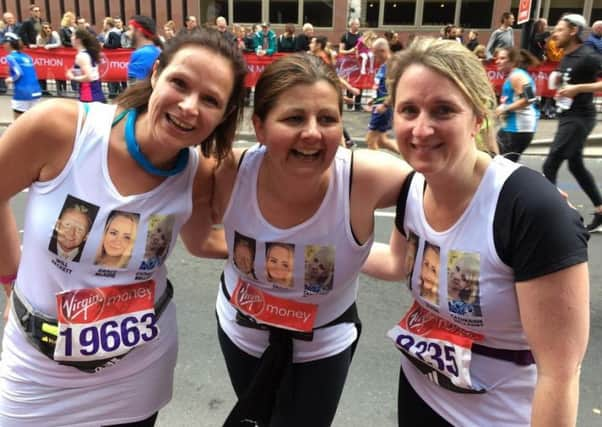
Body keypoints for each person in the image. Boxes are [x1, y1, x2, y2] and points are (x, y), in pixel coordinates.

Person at [0, 29, 247, 426]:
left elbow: (202, 241)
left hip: (135, 373)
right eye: (179, 83)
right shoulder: (63, 129)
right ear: (155, 75)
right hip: (37, 372)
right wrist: (11, 280)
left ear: (224, 115)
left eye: (210, 100)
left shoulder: (198, 172)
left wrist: (283, 254)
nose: (188, 106)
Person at [361, 37, 589, 427]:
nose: (421, 128)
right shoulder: (413, 187)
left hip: (498, 416)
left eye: (443, 110)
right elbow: (397, 262)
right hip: (419, 390)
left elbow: (560, 372)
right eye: (408, 110)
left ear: (478, 117)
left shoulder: (530, 210)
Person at [180, 53, 410, 427]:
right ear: (260, 126)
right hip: (243, 334)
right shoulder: (224, 172)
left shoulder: (372, 177)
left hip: (324, 343)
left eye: (327, 119)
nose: (312, 133)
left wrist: (349, 255)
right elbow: (199, 242)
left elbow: (449, 190)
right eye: (293, 118)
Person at [543, 14, 602, 232]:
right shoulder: (566, 56)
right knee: (575, 164)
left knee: (550, 164)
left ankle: (556, 216)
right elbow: (566, 80)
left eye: (559, 29)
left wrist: (578, 89)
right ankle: (600, 209)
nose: (554, 34)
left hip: (581, 117)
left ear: (573, 31)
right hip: (567, 115)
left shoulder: (588, 55)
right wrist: (560, 84)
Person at [494, 47, 540, 162]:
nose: (497, 61)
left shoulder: (517, 76)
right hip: (511, 126)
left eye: (502, 58)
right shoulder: (514, 75)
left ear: (512, 61)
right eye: (497, 58)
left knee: (502, 165)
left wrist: (505, 109)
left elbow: (530, 98)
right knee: (496, 160)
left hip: (518, 128)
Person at [364, 38, 399, 154]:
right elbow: (382, 86)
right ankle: (410, 158)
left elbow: (395, 88)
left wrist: (385, 105)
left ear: (383, 51)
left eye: (375, 53)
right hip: (380, 104)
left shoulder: (392, 65)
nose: (374, 57)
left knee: (370, 140)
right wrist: (374, 99)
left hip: (384, 108)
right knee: (382, 141)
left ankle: (374, 169)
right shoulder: (385, 65)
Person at [1, 32, 42, 120]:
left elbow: (18, 73)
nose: (3, 45)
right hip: (36, 91)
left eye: (4, 43)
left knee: (18, 123)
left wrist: (9, 79)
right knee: (33, 121)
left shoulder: (11, 57)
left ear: (9, 44)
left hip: (22, 93)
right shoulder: (27, 56)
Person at [48, 198, 97, 262]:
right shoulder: (42, 242)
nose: (71, 233)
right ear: (57, 225)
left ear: (86, 236)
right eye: (67, 225)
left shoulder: (89, 260)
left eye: (80, 229)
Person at [66, 29, 107, 103]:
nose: (70, 38)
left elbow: (89, 77)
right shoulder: (87, 53)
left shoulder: (82, 56)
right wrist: (72, 71)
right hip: (93, 94)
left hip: (89, 96)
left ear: (78, 40)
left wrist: (73, 78)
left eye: (72, 36)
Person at [127, 15, 162, 86]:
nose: (127, 34)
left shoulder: (142, 54)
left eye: (130, 29)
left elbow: (135, 89)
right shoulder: (158, 50)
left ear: (139, 31)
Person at [339, 18, 363, 111]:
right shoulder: (345, 36)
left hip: (360, 62)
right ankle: (349, 104)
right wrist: (350, 51)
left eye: (358, 24)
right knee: (350, 81)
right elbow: (341, 50)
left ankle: (358, 104)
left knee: (361, 82)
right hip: (348, 62)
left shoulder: (361, 35)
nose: (358, 26)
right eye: (356, 24)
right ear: (351, 25)